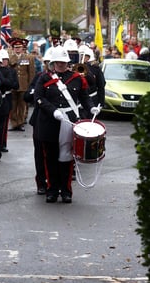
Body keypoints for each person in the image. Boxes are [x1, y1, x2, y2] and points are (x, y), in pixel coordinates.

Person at [33, 46, 98, 204]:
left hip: (68, 121)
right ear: (53, 63)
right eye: (58, 62)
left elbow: (84, 97)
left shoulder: (76, 77)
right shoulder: (44, 78)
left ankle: (66, 191)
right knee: (50, 157)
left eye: (64, 62)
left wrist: (91, 107)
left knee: (67, 158)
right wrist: (53, 110)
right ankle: (52, 190)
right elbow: (39, 98)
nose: (61, 65)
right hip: (50, 121)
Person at [25, 47, 54, 194]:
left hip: (59, 120)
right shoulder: (39, 77)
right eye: (49, 63)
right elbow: (27, 96)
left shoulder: (68, 77)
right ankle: (42, 183)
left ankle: (55, 184)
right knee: (40, 154)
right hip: (40, 120)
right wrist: (35, 92)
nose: (51, 66)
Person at [7, 37, 36, 132]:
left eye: (19, 47)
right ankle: (14, 123)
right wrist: (15, 56)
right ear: (13, 48)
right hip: (13, 85)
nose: (18, 49)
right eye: (16, 47)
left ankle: (21, 122)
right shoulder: (10, 57)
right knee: (13, 105)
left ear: (23, 47)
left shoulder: (29, 57)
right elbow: (11, 64)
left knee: (22, 105)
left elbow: (31, 73)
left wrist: (31, 85)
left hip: (24, 85)